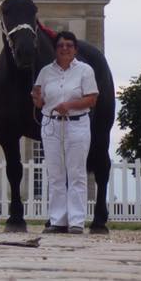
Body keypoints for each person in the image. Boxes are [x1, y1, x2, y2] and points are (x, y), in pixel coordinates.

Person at [31, 31, 99, 234]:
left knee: (76, 173)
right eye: (61, 45)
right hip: (51, 124)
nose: (65, 48)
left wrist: (69, 105)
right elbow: (39, 97)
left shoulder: (85, 71)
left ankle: (76, 220)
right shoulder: (45, 72)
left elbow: (91, 99)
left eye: (69, 45)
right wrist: (37, 99)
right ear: (56, 49)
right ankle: (58, 220)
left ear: (75, 48)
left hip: (76, 124)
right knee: (55, 174)